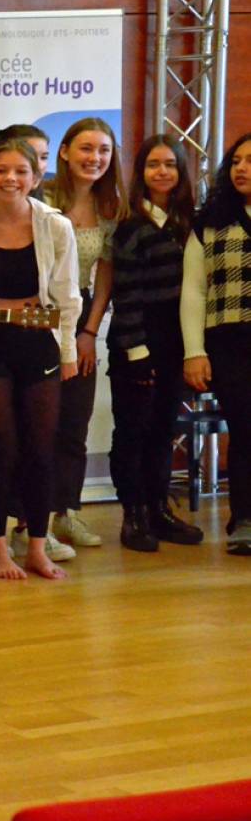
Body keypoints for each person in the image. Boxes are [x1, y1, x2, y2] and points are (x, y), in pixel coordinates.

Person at [0, 139, 81, 580]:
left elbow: (68, 297)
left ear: (36, 177)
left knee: (41, 448)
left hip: (38, 344)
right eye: (2, 170)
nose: (10, 179)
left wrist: (66, 352)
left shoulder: (54, 226)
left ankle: (39, 549)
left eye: (20, 172)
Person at [109, 135, 203, 551]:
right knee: (133, 431)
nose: (161, 171)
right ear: (141, 173)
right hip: (137, 343)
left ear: (181, 172)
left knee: (163, 430)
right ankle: (134, 516)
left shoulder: (189, 223)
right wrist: (135, 354)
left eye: (169, 164)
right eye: (152, 164)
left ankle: (159, 509)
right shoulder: (131, 225)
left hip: (176, 343)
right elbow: (124, 294)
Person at [41, 118, 127, 552]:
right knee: (35, 425)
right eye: (86, 148)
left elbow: (104, 273)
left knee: (73, 423)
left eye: (103, 151)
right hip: (36, 320)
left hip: (84, 322)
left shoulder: (110, 207)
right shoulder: (40, 199)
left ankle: (66, 513)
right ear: (64, 152)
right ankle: (27, 521)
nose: (94, 158)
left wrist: (89, 331)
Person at [182, 132, 251, 553]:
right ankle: (244, 518)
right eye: (237, 161)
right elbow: (194, 291)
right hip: (229, 342)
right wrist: (194, 350)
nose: (243, 168)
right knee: (244, 429)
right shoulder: (209, 222)